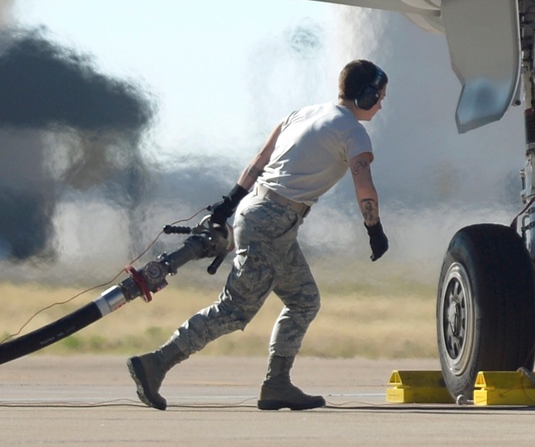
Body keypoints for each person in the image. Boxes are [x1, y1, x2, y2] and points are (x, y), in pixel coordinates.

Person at [127, 59, 391, 411]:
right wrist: (374, 229)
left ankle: (277, 384)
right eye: (379, 97)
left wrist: (228, 204)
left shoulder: (300, 114)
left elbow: (259, 161)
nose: (381, 105)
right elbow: (364, 184)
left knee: (304, 299)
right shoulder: (353, 132)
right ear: (366, 94)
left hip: (260, 213)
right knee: (235, 308)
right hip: (273, 222)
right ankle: (156, 363)